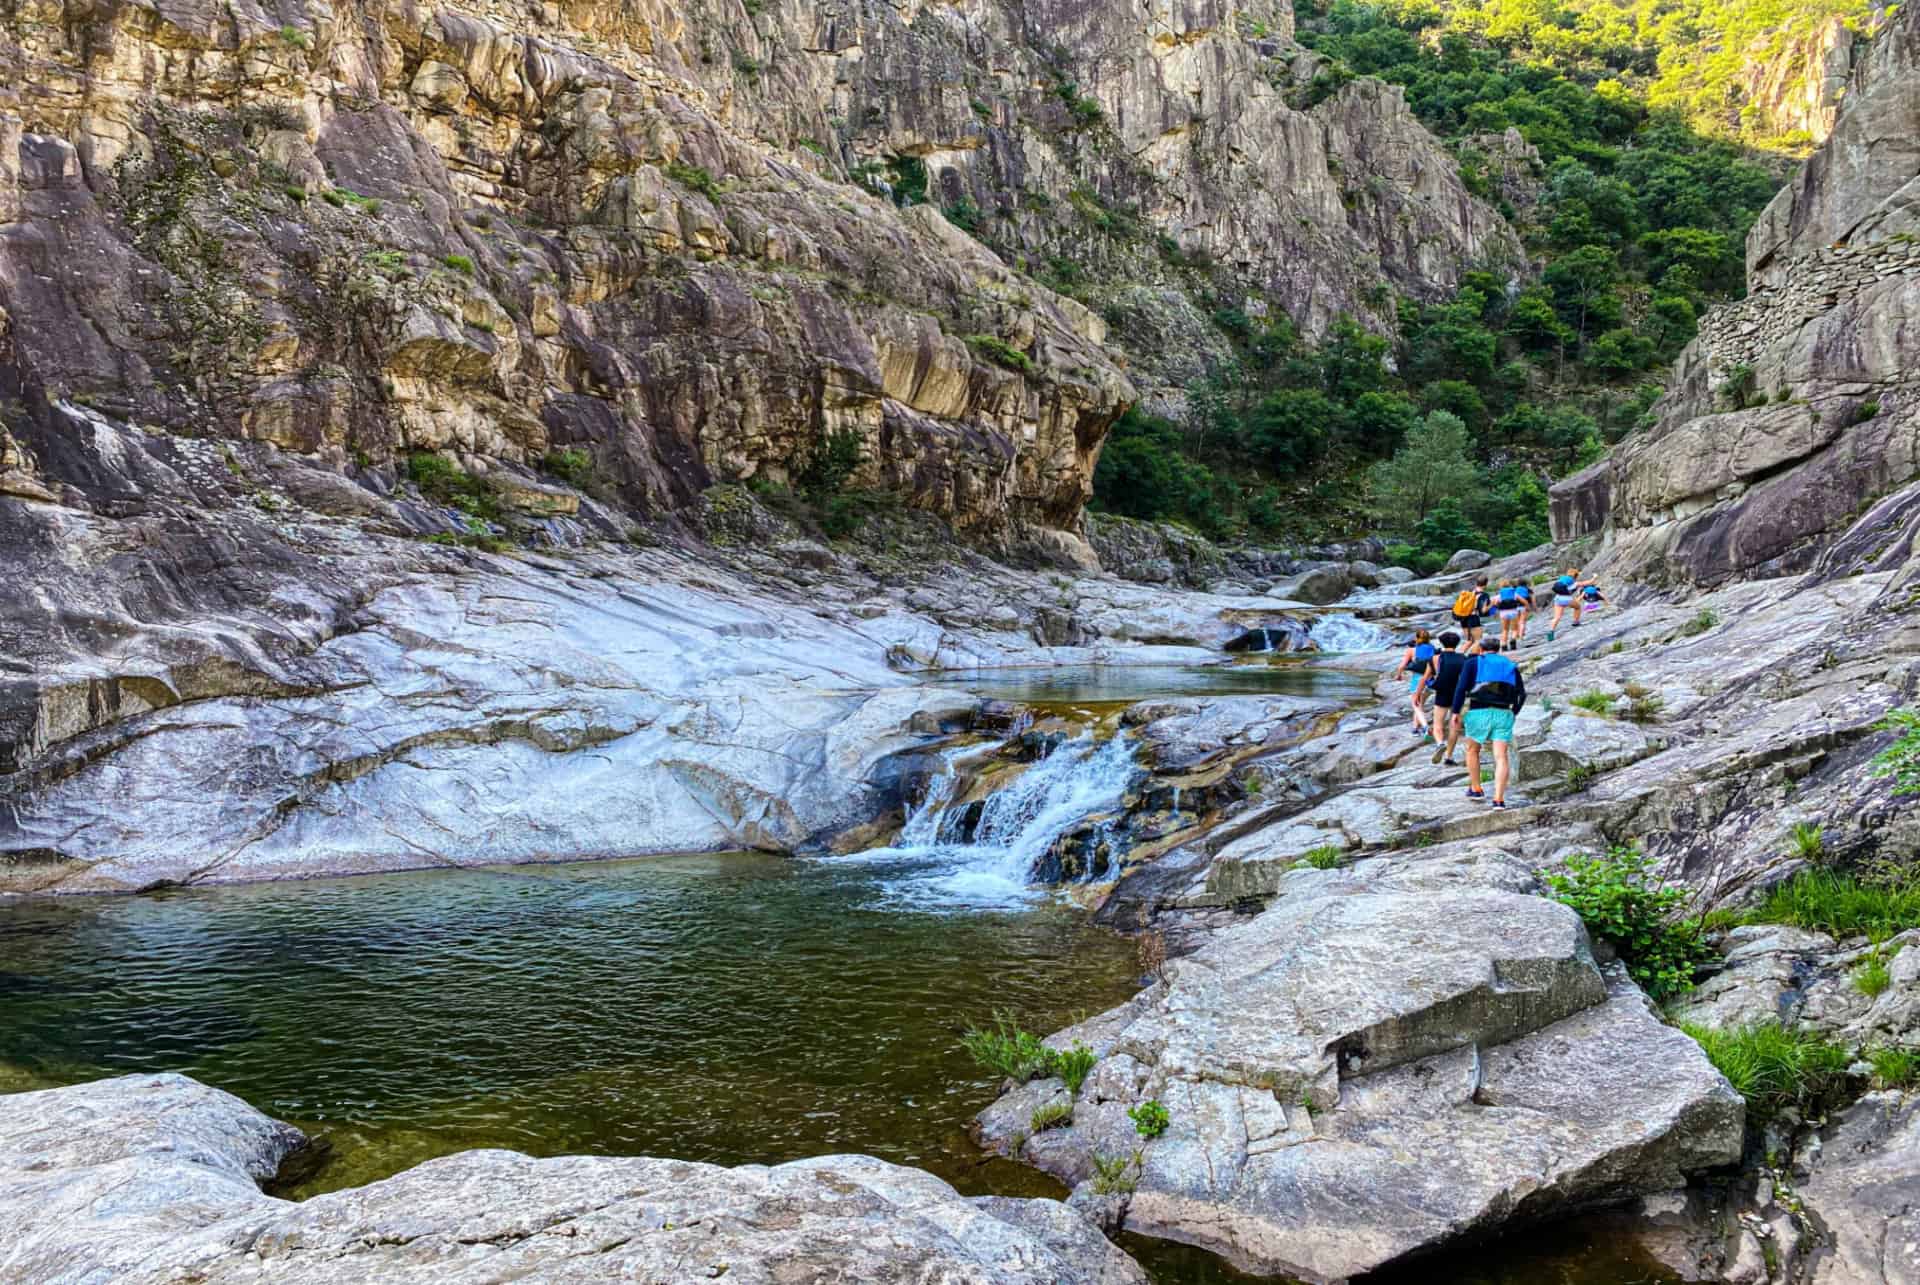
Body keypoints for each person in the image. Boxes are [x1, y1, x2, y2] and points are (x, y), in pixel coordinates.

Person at [1450, 636, 1527, 809]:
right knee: (1501, 756)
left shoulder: (1473, 662)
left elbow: (1461, 688)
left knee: (1472, 750)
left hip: (1478, 712)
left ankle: (1476, 789)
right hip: (1503, 713)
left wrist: (1455, 711)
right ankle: (1499, 800)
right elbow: (1522, 694)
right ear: (1498, 649)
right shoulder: (1509, 665)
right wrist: (1513, 712)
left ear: (1481, 649)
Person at [1425, 630, 1468, 766]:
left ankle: (1440, 743)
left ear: (1442, 643)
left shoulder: (1435, 658)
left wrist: (1418, 695)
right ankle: (1449, 756)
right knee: (1454, 726)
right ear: (1457, 643)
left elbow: (1426, 677)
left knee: (1438, 724)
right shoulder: (1463, 658)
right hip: (1458, 695)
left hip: (1442, 693)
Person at [1393, 629, 1437, 736]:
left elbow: (1402, 666)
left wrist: (1398, 675)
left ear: (1416, 638)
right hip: (1431, 680)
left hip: (1417, 680)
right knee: (1420, 704)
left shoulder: (1412, 650)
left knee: (1416, 705)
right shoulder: (1433, 649)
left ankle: (1426, 727)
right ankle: (1415, 729)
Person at [1546, 567, 1595, 641]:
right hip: (1566, 599)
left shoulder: (1561, 580)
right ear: (1575, 576)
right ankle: (1576, 622)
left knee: (1557, 617)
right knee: (1578, 607)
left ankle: (1551, 631)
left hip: (1558, 599)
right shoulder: (1575, 583)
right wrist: (1594, 577)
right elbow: (1588, 583)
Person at [1494, 580, 1523, 648]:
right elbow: (1523, 601)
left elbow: (1495, 604)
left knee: (1505, 630)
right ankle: (1513, 639)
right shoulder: (1513, 593)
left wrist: (1498, 609)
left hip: (1503, 613)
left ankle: (1504, 645)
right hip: (1513, 612)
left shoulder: (1500, 595)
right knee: (1515, 629)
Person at [1514, 579, 1535, 645]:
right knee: (1523, 622)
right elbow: (1533, 599)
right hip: (1524, 606)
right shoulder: (1528, 589)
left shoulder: (1515, 589)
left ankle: (1516, 634)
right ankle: (1521, 635)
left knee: (1517, 621)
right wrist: (1534, 607)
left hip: (1515, 607)